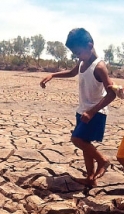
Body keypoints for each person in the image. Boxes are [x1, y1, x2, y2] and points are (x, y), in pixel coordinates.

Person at [40, 28, 116, 187]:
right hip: (83, 110)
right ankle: (90, 179)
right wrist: (53, 75)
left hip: (95, 112)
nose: (77, 56)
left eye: (78, 52)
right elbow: (72, 73)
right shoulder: (83, 61)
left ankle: (102, 160)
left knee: (77, 139)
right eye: (75, 54)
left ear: (89, 46)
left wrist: (92, 111)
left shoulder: (99, 67)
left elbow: (111, 94)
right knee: (85, 144)